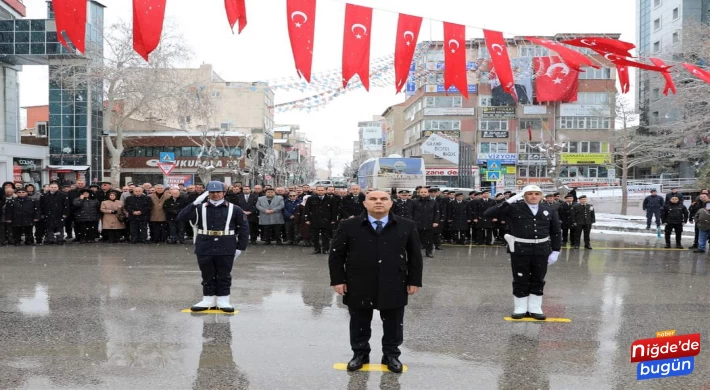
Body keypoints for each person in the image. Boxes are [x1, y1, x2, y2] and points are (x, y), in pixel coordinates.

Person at [329, 190, 423, 373]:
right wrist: (338, 280)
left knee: (394, 323)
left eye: (383, 199)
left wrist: (414, 280)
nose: (378, 202)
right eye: (373, 199)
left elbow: (415, 256)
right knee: (359, 322)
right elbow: (336, 256)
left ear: (391, 203)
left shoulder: (406, 225)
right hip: (358, 281)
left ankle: (391, 355)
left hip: (394, 280)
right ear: (365, 203)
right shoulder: (349, 225)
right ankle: (360, 354)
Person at [484, 185, 561, 320]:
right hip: (520, 248)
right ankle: (520, 307)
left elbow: (555, 232)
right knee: (520, 278)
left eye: (537, 194)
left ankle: (535, 307)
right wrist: (508, 201)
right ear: (523, 195)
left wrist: (555, 251)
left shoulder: (549, 209)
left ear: (541, 196)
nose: (533, 196)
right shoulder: (514, 208)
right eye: (529, 193)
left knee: (538, 278)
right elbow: (488, 213)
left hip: (541, 249)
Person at [177, 181, 249, 312]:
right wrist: (194, 203)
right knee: (207, 273)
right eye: (211, 192)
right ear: (207, 193)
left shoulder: (235, 208)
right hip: (205, 244)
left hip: (226, 244)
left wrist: (240, 247)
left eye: (218, 192)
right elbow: (181, 217)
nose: (215, 194)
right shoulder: (200, 207)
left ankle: (223, 299)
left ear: (224, 193)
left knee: (224, 274)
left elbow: (244, 229)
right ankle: (208, 298)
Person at [304, 186, 337, 255]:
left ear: (325, 191)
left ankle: (326, 249)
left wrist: (333, 219)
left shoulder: (330, 199)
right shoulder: (311, 199)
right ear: (316, 191)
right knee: (314, 236)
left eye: (322, 190)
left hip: (326, 220)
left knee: (326, 236)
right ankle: (317, 249)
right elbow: (306, 209)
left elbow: (334, 210)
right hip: (314, 220)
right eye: (319, 190)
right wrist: (307, 219)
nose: (320, 191)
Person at [411, 187, 439, 258]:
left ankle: (428, 252)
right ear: (419, 193)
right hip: (417, 223)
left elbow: (436, 212)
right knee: (417, 239)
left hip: (429, 223)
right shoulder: (414, 201)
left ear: (428, 193)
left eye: (425, 192)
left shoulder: (433, 202)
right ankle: (416, 253)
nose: (423, 193)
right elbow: (411, 212)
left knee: (429, 239)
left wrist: (435, 221)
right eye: (422, 192)